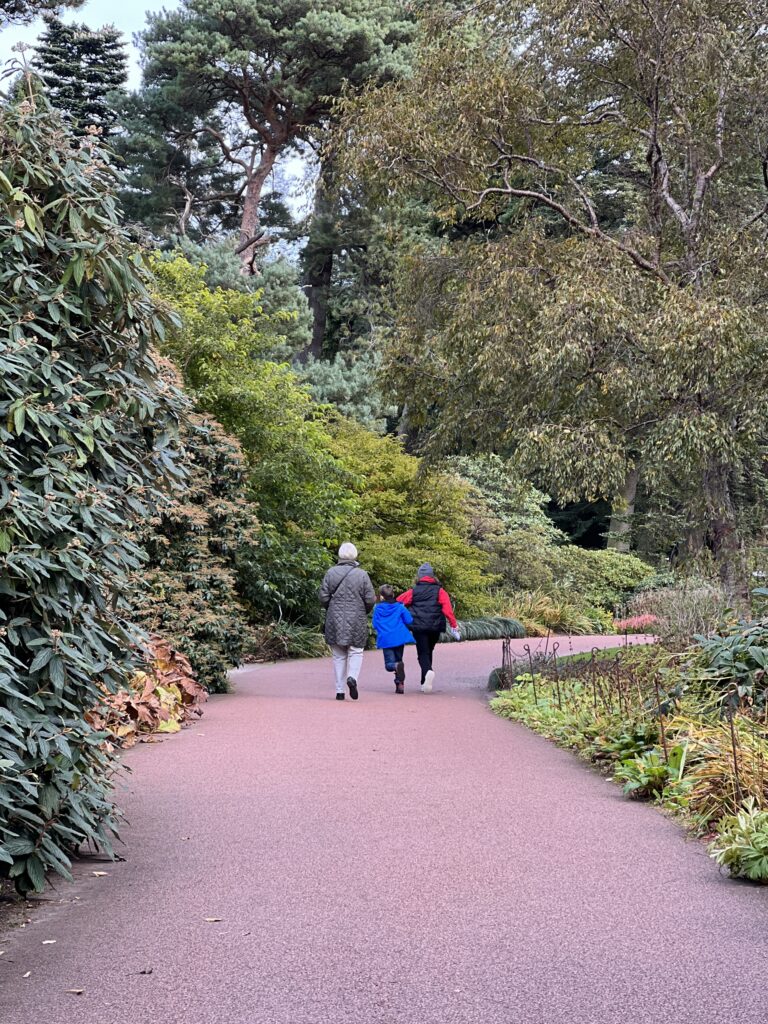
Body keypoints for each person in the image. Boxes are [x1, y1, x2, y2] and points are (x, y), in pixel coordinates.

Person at [319, 542, 376, 701]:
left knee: (338, 655)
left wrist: (331, 607)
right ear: (355, 555)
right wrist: (363, 610)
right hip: (357, 616)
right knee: (356, 651)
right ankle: (352, 677)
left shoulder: (331, 572)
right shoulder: (362, 574)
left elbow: (323, 596)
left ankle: (339, 691)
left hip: (334, 618)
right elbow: (370, 599)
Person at [397, 563, 460, 692]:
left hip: (419, 626)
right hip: (435, 627)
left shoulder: (413, 591)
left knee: (422, 653)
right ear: (432, 577)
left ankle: (427, 672)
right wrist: (454, 625)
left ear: (419, 577)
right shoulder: (440, 591)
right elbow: (448, 610)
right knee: (429, 651)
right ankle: (424, 682)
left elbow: (398, 601)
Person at [372, 585, 415, 694]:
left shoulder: (378, 608)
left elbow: (375, 624)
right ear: (393, 594)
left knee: (389, 664)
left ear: (382, 597)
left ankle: (395, 668)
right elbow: (409, 620)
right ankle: (400, 684)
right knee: (399, 660)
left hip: (386, 639)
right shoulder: (400, 607)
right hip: (399, 637)